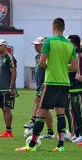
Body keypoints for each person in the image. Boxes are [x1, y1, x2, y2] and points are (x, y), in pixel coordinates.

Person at [16, 17, 77, 153]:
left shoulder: (49, 41)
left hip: (51, 82)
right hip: (65, 83)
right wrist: (62, 66)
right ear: (63, 28)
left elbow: (42, 63)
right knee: (60, 113)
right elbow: (74, 67)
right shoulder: (69, 45)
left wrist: (53, 65)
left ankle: (31, 145)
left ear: (53, 27)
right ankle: (60, 145)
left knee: (40, 112)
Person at [23, 37, 55, 139]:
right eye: (35, 44)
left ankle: (33, 120)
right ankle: (50, 133)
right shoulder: (37, 56)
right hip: (40, 84)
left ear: (43, 45)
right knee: (45, 109)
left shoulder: (49, 55)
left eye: (37, 44)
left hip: (46, 83)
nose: (35, 46)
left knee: (37, 99)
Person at [67, 34, 82, 143]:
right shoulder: (72, 54)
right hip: (71, 87)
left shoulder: (79, 55)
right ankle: (76, 133)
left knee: (80, 112)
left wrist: (81, 80)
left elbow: (81, 71)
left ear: (73, 43)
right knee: (73, 112)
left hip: (79, 88)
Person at [0, 39, 17, 138]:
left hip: (7, 88)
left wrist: (11, 87)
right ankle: (7, 130)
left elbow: (14, 73)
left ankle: (9, 131)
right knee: (3, 110)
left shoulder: (9, 57)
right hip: (0, 88)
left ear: (5, 46)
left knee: (6, 108)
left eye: (0, 45)